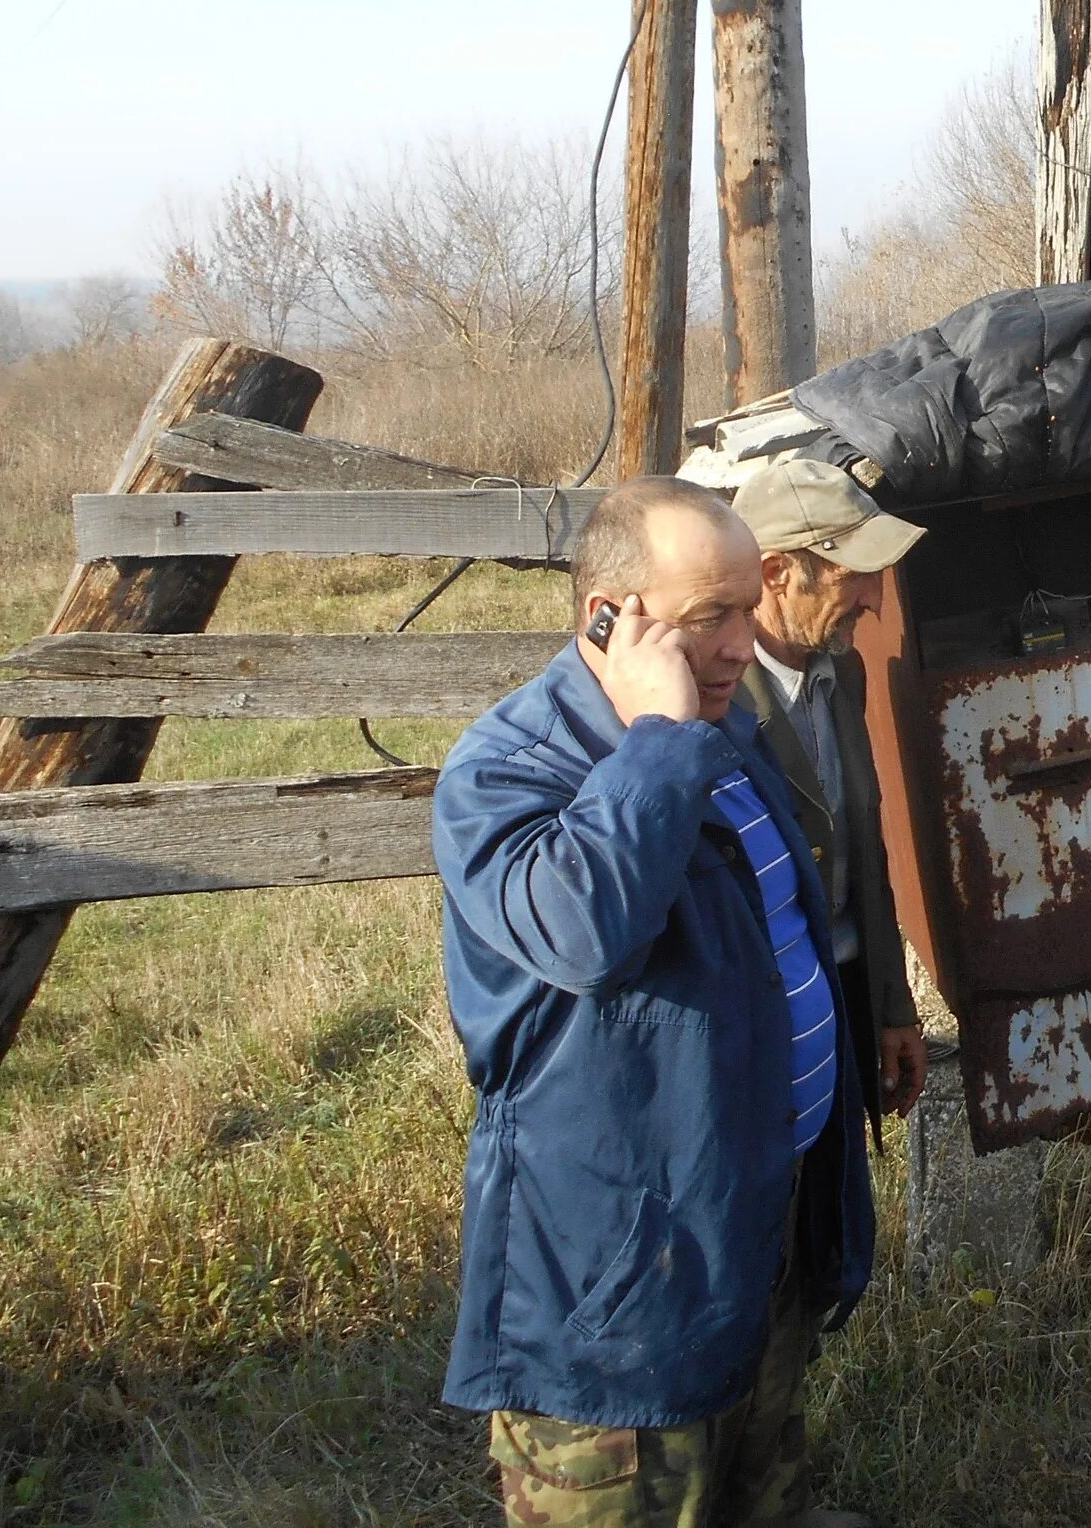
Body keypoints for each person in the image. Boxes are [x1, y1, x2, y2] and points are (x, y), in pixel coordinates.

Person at [433, 475, 876, 1528]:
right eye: (708, 617)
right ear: (610, 616)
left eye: (745, 607)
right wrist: (657, 745)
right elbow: (584, 932)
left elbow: (790, 930)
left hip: (749, 1214)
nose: (740, 643)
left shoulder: (717, 735)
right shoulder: (507, 770)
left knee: (757, 1465)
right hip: (619, 1279)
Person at [730, 458, 930, 1139]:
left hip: (844, 999)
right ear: (775, 574)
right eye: (854, 576)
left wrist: (890, 1005)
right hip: (759, 1026)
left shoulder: (842, 671)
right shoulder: (707, 706)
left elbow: (864, 852)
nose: (875, 600)